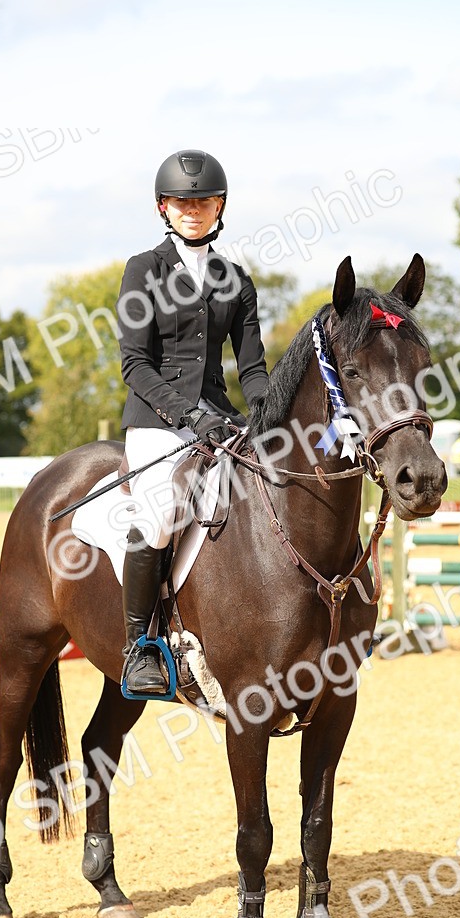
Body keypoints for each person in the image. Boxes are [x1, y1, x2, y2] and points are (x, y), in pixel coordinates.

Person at [117, 149, 269, 695]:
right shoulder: (145, 269)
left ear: (219, 205)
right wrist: (187, 415)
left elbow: (252, 371)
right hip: (158, 422)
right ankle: (140, 647)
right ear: (164, 206)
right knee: (159, 517)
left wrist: (268, 414)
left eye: (203, 200)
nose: (193, 209)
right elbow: (134, 363)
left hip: (218, 422)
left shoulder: (236, 280)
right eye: (183, 201)